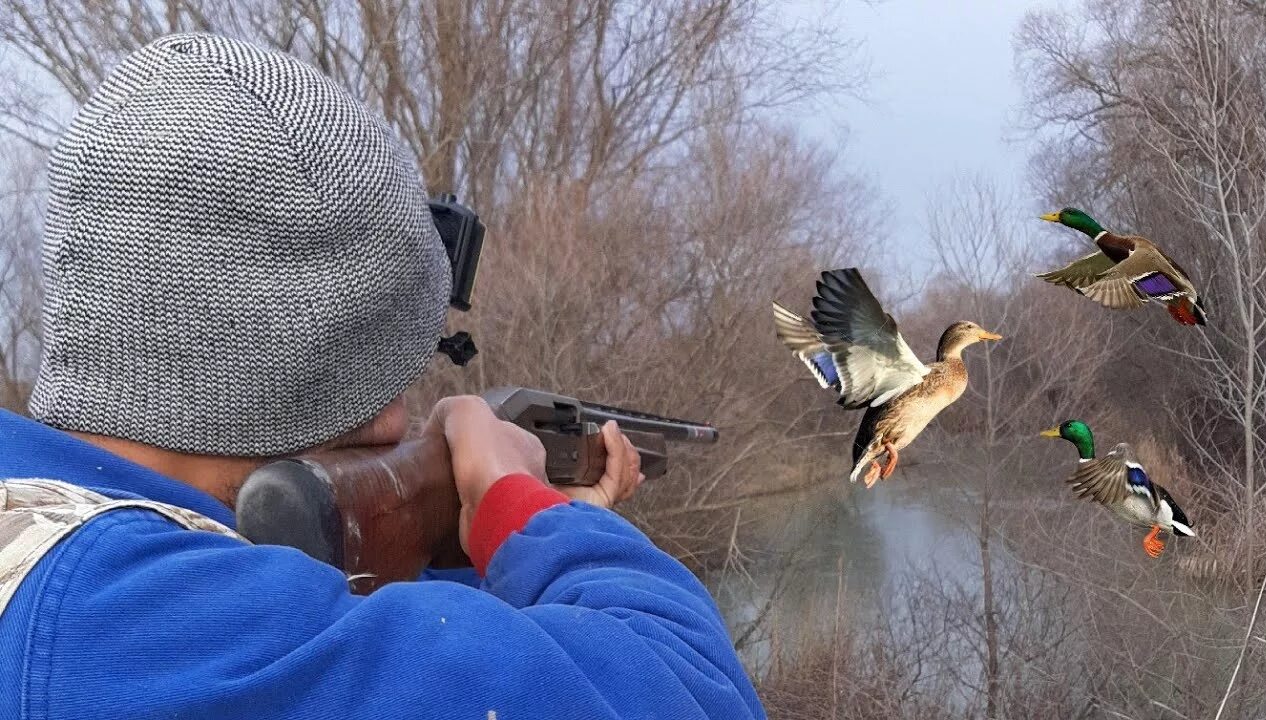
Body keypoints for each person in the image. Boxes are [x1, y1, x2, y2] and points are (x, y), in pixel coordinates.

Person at [0, 33, 765, 719]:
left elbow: (404, 648)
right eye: (398, 373)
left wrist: (473, 539)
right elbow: (697, 693)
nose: (401, 412)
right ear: (334, 378)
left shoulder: (68, 572)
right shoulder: (149, 629)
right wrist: (526, 512)